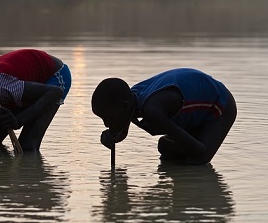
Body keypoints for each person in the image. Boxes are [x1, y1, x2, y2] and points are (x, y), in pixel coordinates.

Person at [91, 68, 237, 165]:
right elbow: (122, 131)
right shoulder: (131, 99)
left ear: (124, 107)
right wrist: (113, 137)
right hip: (193, 112)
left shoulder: (152, 110)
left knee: (197, 160)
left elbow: (199, 151)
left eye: (108, 119)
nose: (105, 124)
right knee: (168, 151)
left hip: (220, 105)